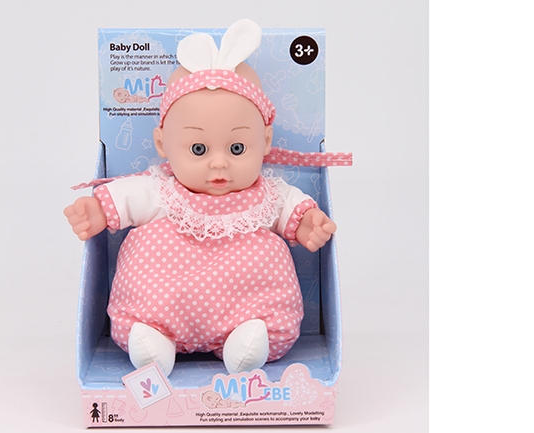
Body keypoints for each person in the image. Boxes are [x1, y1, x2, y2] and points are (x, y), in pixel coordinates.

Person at [64, 20, 348, 376]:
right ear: (162, 143)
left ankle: (246, 339)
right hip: (165, 294)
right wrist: (97, 210)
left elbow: (292, 211)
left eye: (237, 148)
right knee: (145, 269)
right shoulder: (161, 190)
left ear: (266, 141)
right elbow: (127, 198)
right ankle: (153, 338)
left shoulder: (270, 195)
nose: (219, 163)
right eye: (198, 148)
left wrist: (308, 223)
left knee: (267, 278)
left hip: (247, 300)